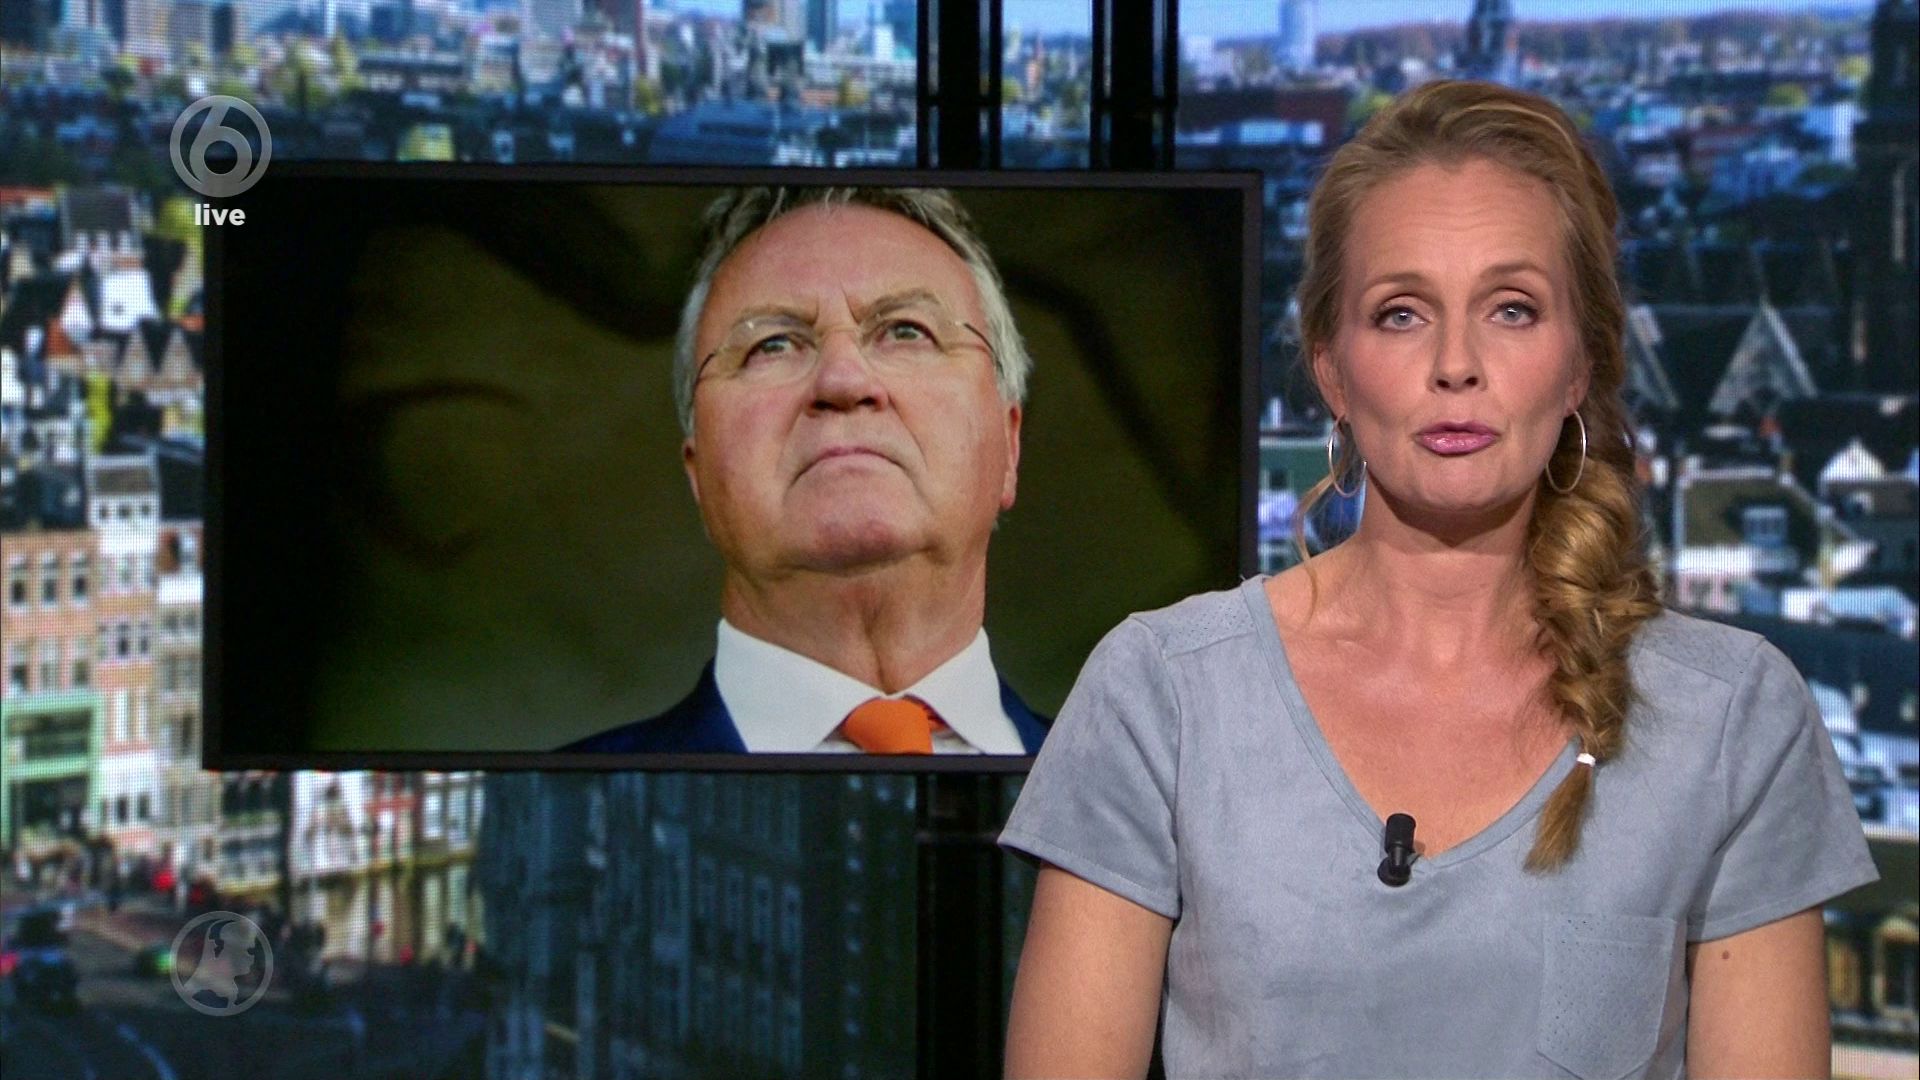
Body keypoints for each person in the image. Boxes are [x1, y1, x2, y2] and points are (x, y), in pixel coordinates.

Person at [999, 80, 1877, 1079]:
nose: (1456, 364)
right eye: (1402, 314)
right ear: (1331, 367)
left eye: (1512, 309)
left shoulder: (1731, 717)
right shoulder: (1162, 693)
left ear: (1580, 363)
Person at [563, 187, 1049, 755]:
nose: (843, 380)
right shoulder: (550, 794)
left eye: (906, 330)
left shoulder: (1133, 793)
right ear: (698, 472)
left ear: (1009, 445)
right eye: (772, 345)